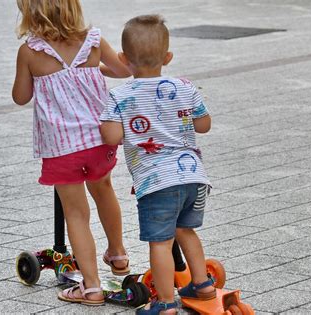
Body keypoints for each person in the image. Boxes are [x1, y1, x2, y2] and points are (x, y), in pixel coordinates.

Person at [12, 0, 132, 306]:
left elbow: (20, 96)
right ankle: (118, 255)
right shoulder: (92, 39)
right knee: (104, 190)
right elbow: (122, 69)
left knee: (76, 213)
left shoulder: (30, 51)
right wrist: (93, 67)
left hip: (62, 148)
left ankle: (90, 287)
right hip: (99, 139)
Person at [100, 15, 216, 314]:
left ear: (124, 59)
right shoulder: (184, 87)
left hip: (156, 181)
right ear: (168, 57)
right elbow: (203, 125)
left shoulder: (120, 94)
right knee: (186, 231)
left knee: (160, 242)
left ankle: (165, 302)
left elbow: (111, 136)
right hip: (193, 176)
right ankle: (202, 284)